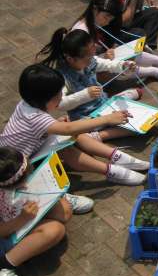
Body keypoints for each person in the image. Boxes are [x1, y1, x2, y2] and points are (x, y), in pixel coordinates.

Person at [0, 64, 147, 186]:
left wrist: (56, 125)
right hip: (16, 167)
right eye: (58, 95)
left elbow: (34, 129)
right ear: (45, 99)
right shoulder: (36, 117)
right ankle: (110, 171)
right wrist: (107, 119)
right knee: (66, 145)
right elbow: (68, 129)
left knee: (73, 133)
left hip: (20, 151)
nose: (61, 97)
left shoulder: (26, 104)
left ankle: (116, 156)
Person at [0, 147, 73, 276]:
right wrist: (21, 219)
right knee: (54, 230)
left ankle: (54, 192)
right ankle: (4, 265)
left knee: (64, 210)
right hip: (5, 233)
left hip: (13, 214)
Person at [72, 0, 158, 81]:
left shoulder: (93, 22)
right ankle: (152, 71)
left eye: (110, 19)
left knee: (128, 50)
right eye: (106, 17)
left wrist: (109, 52)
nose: (107, 22)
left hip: (99, 58)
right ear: (94, 9)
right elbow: (86, 63)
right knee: (121, 63)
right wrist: (106, 58)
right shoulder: (81, 32)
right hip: (88, 72)